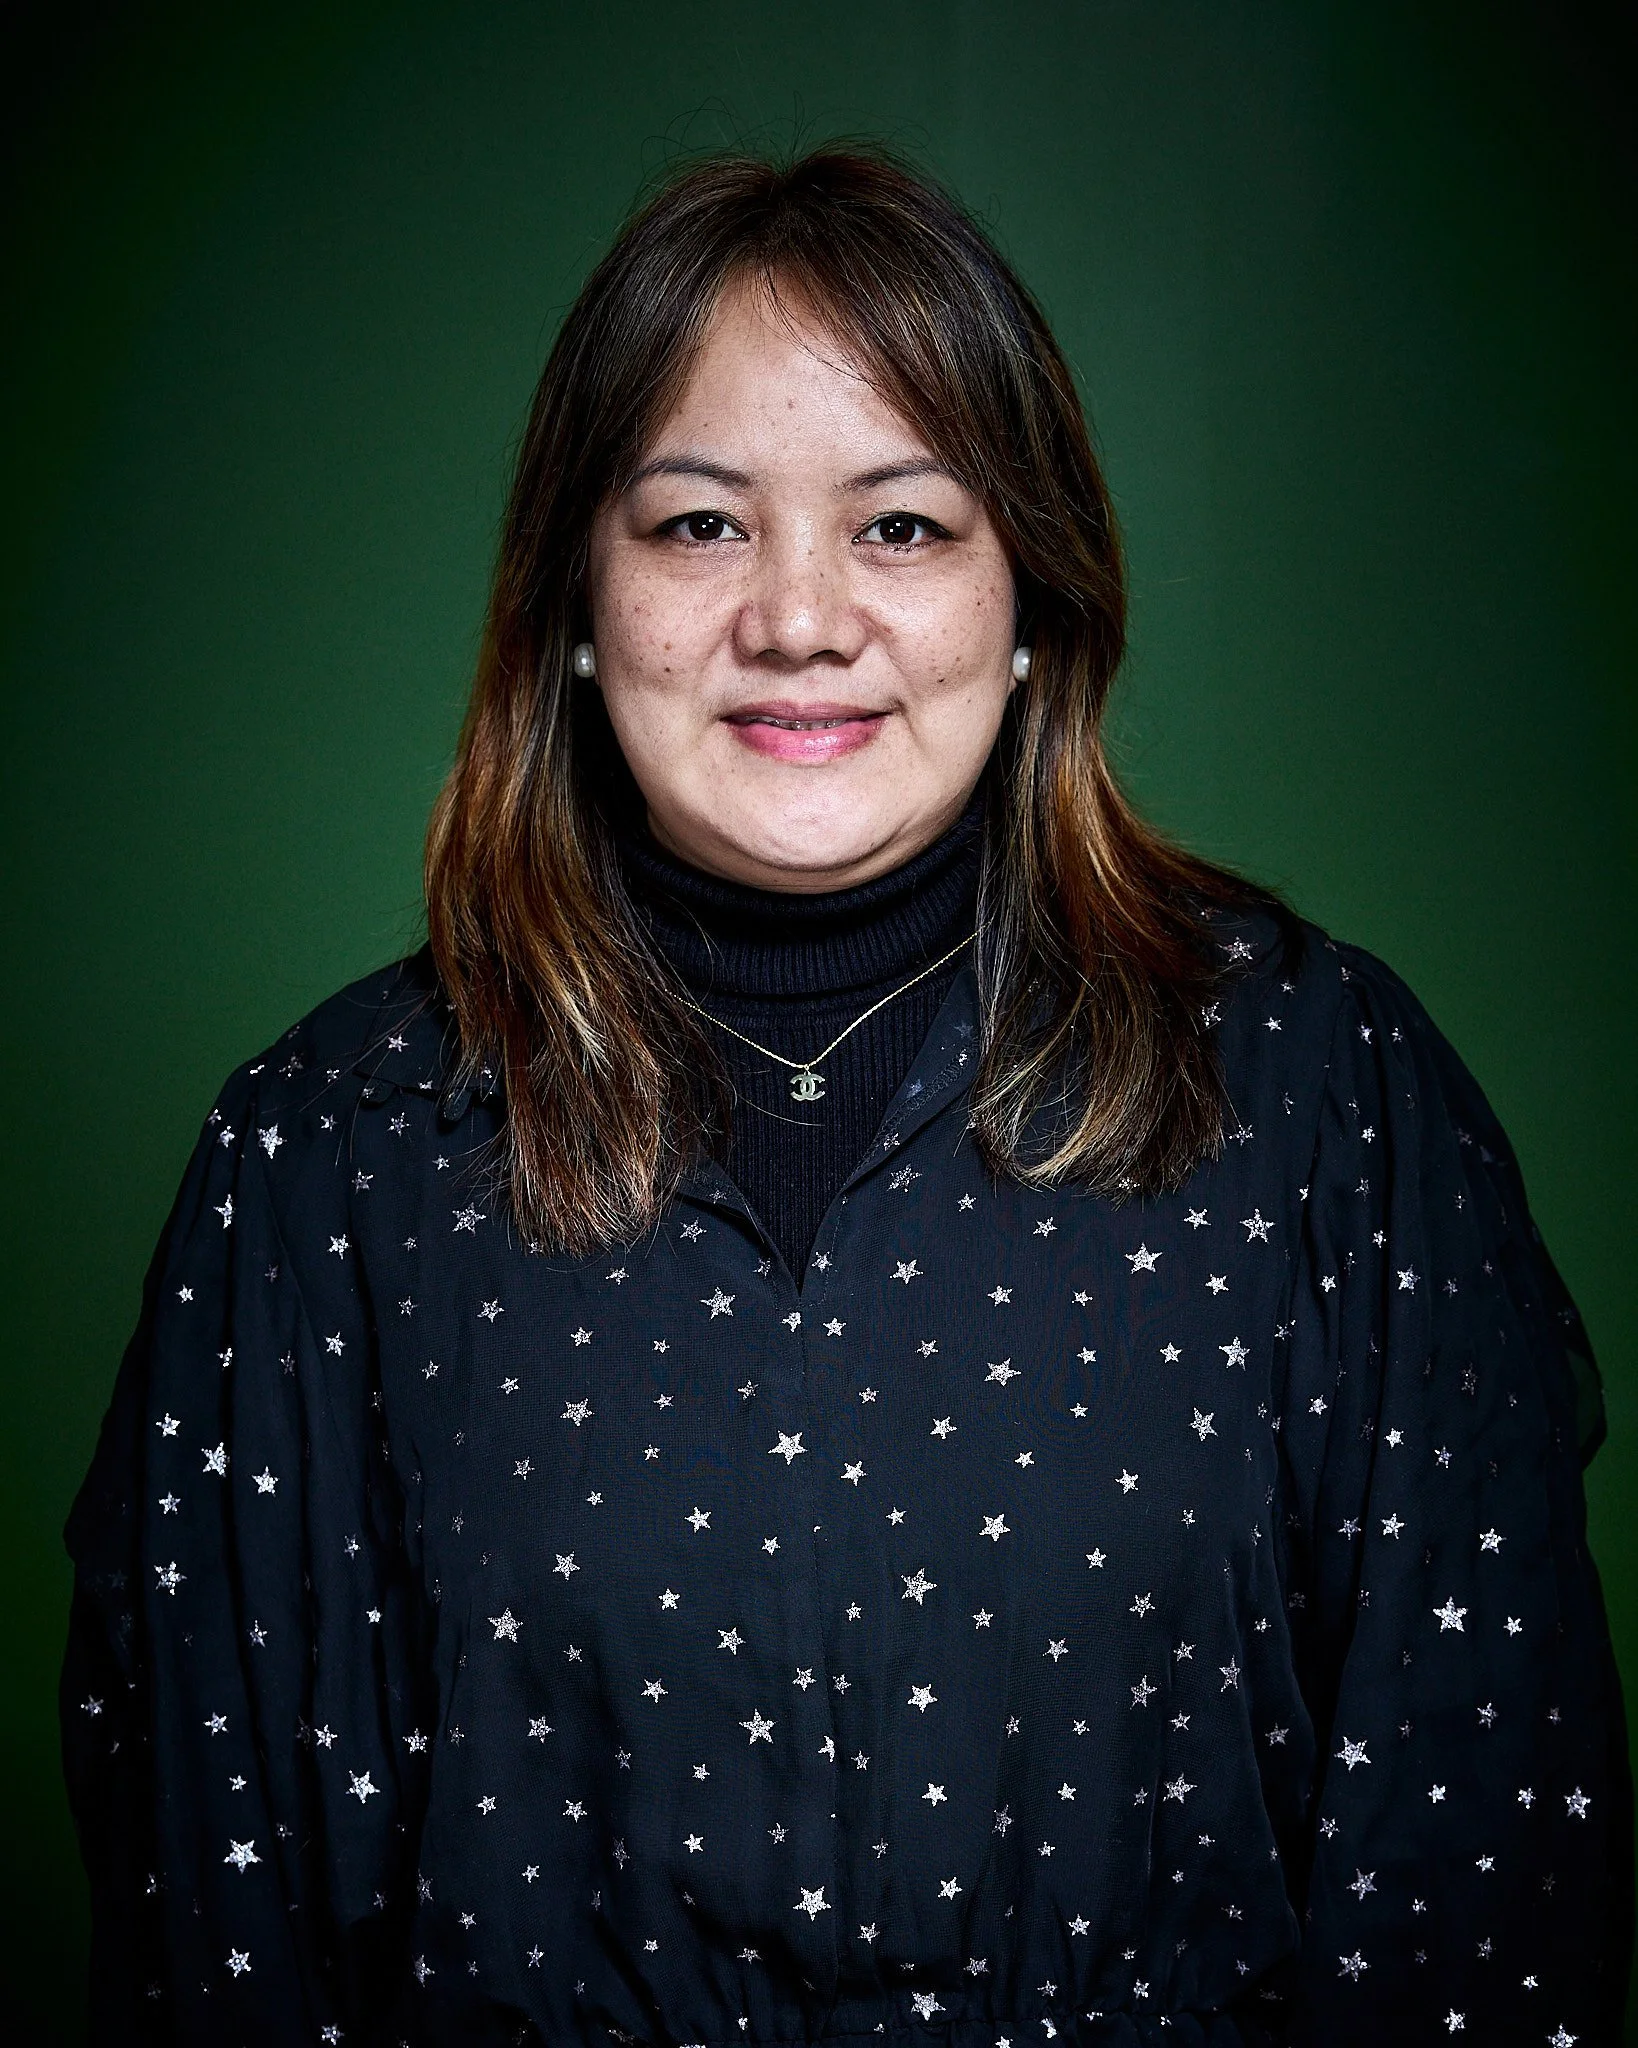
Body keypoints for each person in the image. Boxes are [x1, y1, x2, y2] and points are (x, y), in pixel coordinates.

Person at [62, 147, 1630, 2047]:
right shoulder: (329, 1151)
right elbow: (218, 1910)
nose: (798, 621)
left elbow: (1480, 1870)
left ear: (1029, 594)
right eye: (698, 525)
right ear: (577, 598)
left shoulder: (1320, 1094)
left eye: (899, 525)